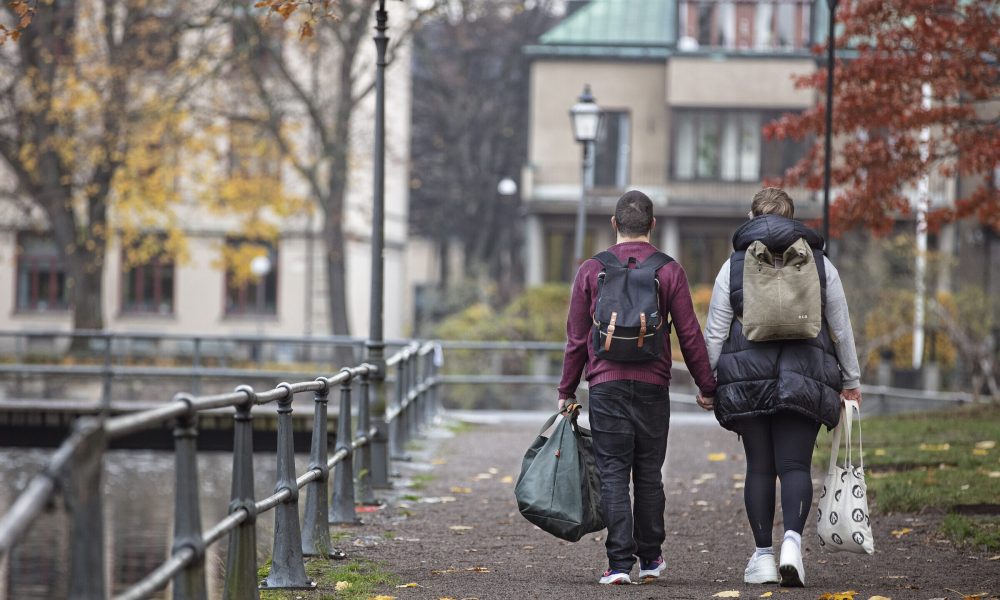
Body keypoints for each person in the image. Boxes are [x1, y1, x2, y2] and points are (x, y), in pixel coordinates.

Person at [698, 187, 862, 588]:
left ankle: (763, 557)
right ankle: (792, 543)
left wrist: (707, 382)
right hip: (806, 376)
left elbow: (716, 331)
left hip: (746, 380)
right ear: (793, 216)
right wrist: (851, 381)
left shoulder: (733, 265)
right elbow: (840, 328)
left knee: (759, 468)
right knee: (795, 466)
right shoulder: (820, 264)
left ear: (751, 216)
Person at [558, 189, 717, 586]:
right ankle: (650, 559)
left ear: (614, 225)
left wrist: (567, 390)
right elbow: (690, 335)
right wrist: (707, 386)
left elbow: (577, 340)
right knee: (649, 473)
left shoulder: (590, 270)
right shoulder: (669, 270)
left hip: (605, 385)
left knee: (613, 473)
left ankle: (617, 566)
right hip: (653, 385)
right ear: (653, 225)